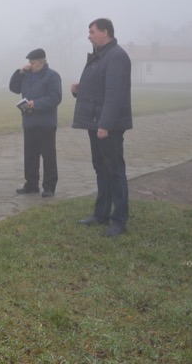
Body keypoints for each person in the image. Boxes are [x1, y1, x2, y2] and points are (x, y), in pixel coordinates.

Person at [71, 18, 133, 237]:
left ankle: (119, 220)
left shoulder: (116, 57)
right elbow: (99, 89)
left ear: (105, 32)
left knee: (115, 172)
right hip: (95, 123)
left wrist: (105, 124)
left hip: (108, 127)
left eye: (92, 31)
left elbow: (115, 95)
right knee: (102, 170)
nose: (89, 36)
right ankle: (101, 214)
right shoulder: (100, 55)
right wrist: (79, 90)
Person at [8, 48, 62, 197]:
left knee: (48, 156)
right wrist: (20, 72)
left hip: (46, 123)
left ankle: (49, 186)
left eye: (33, 63)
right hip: (29, 122)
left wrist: (36, 104)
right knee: (30, 155)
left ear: (41, 62)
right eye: (29, 63)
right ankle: (31, 184)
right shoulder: (27, 75)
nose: (30, 65)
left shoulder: (52, 76)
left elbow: (56, 97)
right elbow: (13, 88)